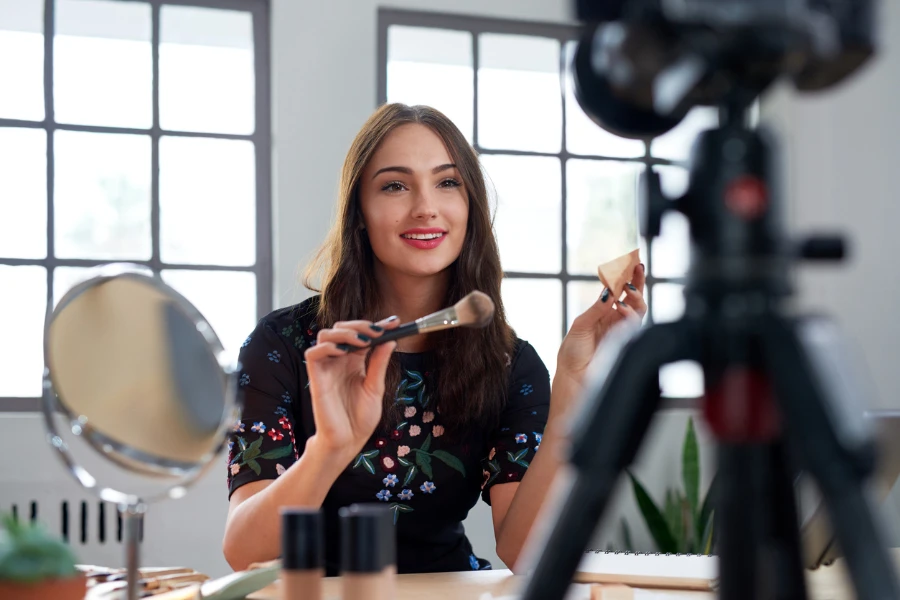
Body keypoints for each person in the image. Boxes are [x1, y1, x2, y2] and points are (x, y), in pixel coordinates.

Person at [221, 103, 647, 575]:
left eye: (447, 183)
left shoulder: (510, 363)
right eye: (395, 185)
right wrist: (331, 448)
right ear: (358, 211)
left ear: (470, 205)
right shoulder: (283, 345)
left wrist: (573, 388)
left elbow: (526, 553)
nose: (425, 207)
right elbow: (246, 554)